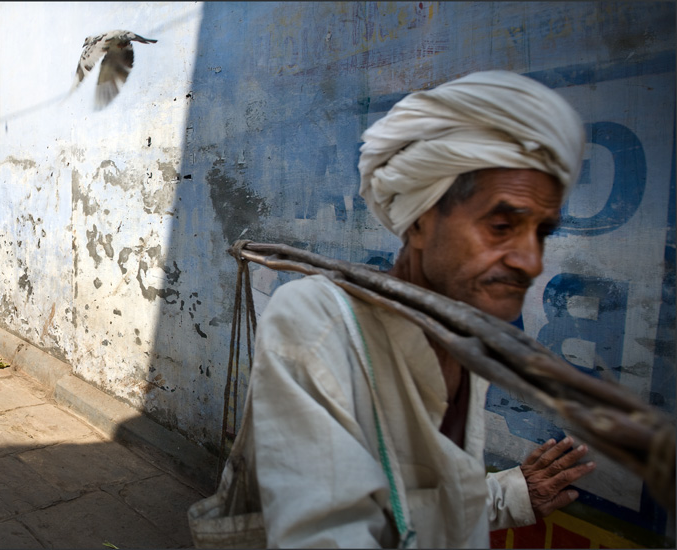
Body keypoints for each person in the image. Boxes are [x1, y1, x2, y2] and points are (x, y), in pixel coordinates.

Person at [243, 71, 597, 548]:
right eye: (500, 225)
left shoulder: (465, 339)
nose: (531, 262)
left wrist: (513, 494)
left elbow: (418, 505)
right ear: (422, 223)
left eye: (541, 233)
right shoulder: (317, 323)